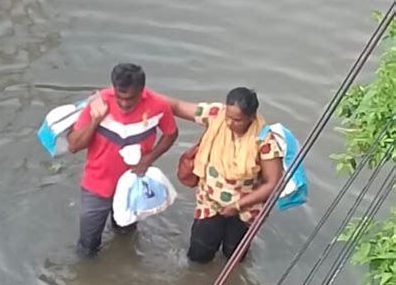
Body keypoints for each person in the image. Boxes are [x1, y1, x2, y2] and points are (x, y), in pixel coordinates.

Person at [68, 64, 178, 256]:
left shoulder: (158, 106)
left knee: (126, 234)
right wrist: (96, 120)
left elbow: (171, 133)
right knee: (87, 245)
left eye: (131, 98)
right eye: (120, 97)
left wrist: (149, 159)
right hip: (97, 186)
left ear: (142, 91)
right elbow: (74, 146)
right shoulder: (98, 104)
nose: (125, 104)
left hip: (132, 186)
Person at [167, 87, 283, 263]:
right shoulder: (216, 116)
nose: (229, 123)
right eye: (228, 116)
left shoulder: (265, 140)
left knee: (234, 255)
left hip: (245, 208)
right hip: (210, 202)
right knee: (199, 254)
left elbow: (272, 183)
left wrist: (237, 205)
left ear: (251, 118)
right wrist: (140, 96)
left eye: (237, 120)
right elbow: (176, 106)